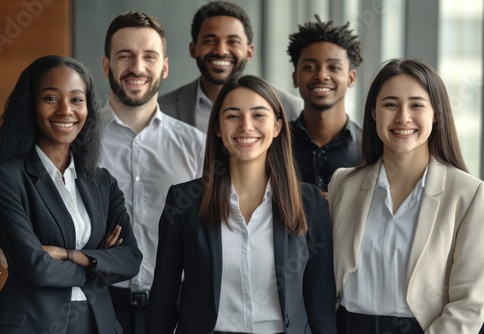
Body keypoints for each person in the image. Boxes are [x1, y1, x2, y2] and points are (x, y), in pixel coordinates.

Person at [149, 75, 337, 333]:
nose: (246, 126)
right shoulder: (185, 202)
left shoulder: (310, 203)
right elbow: (162, 301)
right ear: (218, 127)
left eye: (259, 115)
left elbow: (321, 305)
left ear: (277, 127)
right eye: (233, 116)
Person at [0, 55, 142, 333]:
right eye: (51, 98)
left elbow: (130, 260)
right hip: (32, 324)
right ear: (30, 105)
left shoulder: (102, 181)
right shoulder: (4, 177)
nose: (65, 110)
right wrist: (99, 264)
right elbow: (35, 266)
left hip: (98, 323)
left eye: (77, 100)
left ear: (88, 108)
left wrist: (69, 255)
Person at [329, 59, 484, 333]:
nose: (403, 117)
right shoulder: (344, 184)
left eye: (416, 105)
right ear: (374, 112)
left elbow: (470, 305)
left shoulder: (468, 194)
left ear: (436, 114)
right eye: (390, 104)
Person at [100, 11, 205, 334]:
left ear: (165, 66)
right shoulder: (76, 143)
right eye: (125, 56)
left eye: (149, 56)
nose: (138, 67)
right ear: (107, 65)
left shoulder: (196, 146)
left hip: (176, 308)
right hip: (98, 304)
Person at [158, 0, 303, 133]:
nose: (221, 51)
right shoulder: (161, 109)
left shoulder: (290, 109)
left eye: (233, 42)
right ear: (193, 49)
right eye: (210, 41)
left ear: (249, 52)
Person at [287, 15, 363, 196]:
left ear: (351, 78)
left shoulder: (371, 148)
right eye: (309, 67)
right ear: (295, 78)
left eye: (334, 67)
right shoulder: (274, 144)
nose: (321, 76)